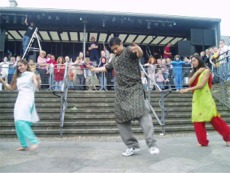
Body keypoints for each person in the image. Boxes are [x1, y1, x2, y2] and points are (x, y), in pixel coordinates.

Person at [89, 37, 160, 156]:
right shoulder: (114, 58)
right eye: (113, 50)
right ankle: (132, 146)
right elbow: (106, 67)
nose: (115, 51)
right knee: (121, 119)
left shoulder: (128, 51)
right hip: (121, 92)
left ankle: (152, 144)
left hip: (135, 88)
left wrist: (139, 50)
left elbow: (138, 54)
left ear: (121, 44)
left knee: (143, 114)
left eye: (116, 48)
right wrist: (95, 69)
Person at [180, 54, 230, 147]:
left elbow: (201, 85)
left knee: (214, 119)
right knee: (197, 120)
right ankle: (202, 141)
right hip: (197, 99)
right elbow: (189, 82)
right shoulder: (195, 72)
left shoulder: (206, 71)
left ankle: (228, 138)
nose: (193, 62)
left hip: (206, 98)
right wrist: (197, 72)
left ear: (199, 60)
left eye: (194, 60)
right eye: (192, 61)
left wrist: (187, 90)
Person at [0, 59, 40, 151]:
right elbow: (11, 88)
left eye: (21, 65)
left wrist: (38, 81)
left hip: (28, 98)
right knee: (17, 122)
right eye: (18, 66)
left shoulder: (32, 74)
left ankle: (34, 141)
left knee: (21, 121)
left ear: (26, 65)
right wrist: (2, 80)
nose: (19, 67)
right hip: (20, 99)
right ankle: (24, 145)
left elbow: (37, 86)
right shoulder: (18, 77)